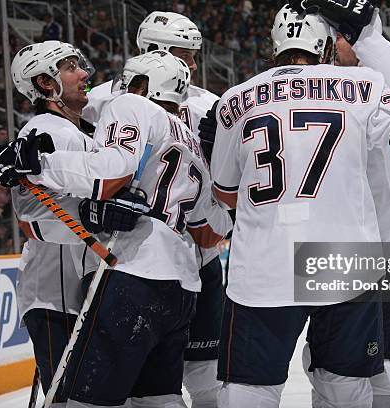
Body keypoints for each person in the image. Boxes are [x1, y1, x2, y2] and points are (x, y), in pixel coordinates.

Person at [204, 5, 390, 407]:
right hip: (348, 258)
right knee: (348, 388)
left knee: (248, 390)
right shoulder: (365, 86)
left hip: (263, 264)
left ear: (274, 45)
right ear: (324, 46)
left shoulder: (236, 99)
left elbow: (226, 193)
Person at [0, 50, 231, 408]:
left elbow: (108, 173)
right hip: (168, 286)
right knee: (157, 398)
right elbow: (210, 231)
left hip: (127, 275)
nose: (88, 75)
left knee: (88, 399)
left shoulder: (124, 111)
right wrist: (93, 212)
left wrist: (36, 164)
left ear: (141, 85)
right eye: (70, 67)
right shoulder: (189, 138)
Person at [291, 1, 390, 406]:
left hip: (388, 249)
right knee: (327, 366)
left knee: (380, 368)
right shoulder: (323, 90)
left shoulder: (377, 83)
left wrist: (366, 34)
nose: (335, 43)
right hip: (337, 250)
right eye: (332, 36)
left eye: (342, 36)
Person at [83, 12, 225, 407]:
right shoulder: (99, 101)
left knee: (202, 372)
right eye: (186, 54)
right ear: (157, 51)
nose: (194, 65)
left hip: (187, 254)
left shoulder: (209, 104)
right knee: (143, 385)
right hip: (136, 250)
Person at [0, 40, 96, 405]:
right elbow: (31, 215)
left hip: (74, 294)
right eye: (70, 67)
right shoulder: (47, 131)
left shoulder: (81, 131)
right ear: (47, 83)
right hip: (57, 298)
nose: (84, 74)